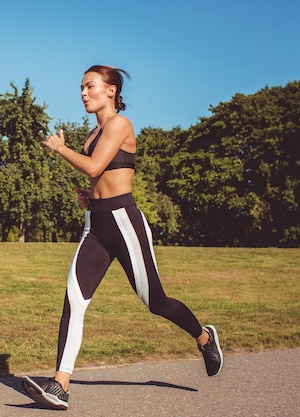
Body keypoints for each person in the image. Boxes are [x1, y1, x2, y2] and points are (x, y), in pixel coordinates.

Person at [21, 65, 223, 410]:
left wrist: (59, 148)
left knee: (155, 302)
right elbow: (98, 177)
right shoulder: (90, 134)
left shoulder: (119, 125)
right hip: (96, 225)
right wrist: (89, 197)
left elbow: (94, 167)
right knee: (74, 300)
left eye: (90, 86)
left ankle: (204, 338)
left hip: (123, 220)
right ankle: (60, 385)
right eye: (81, 88)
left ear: (111, 90)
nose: (83, 93)